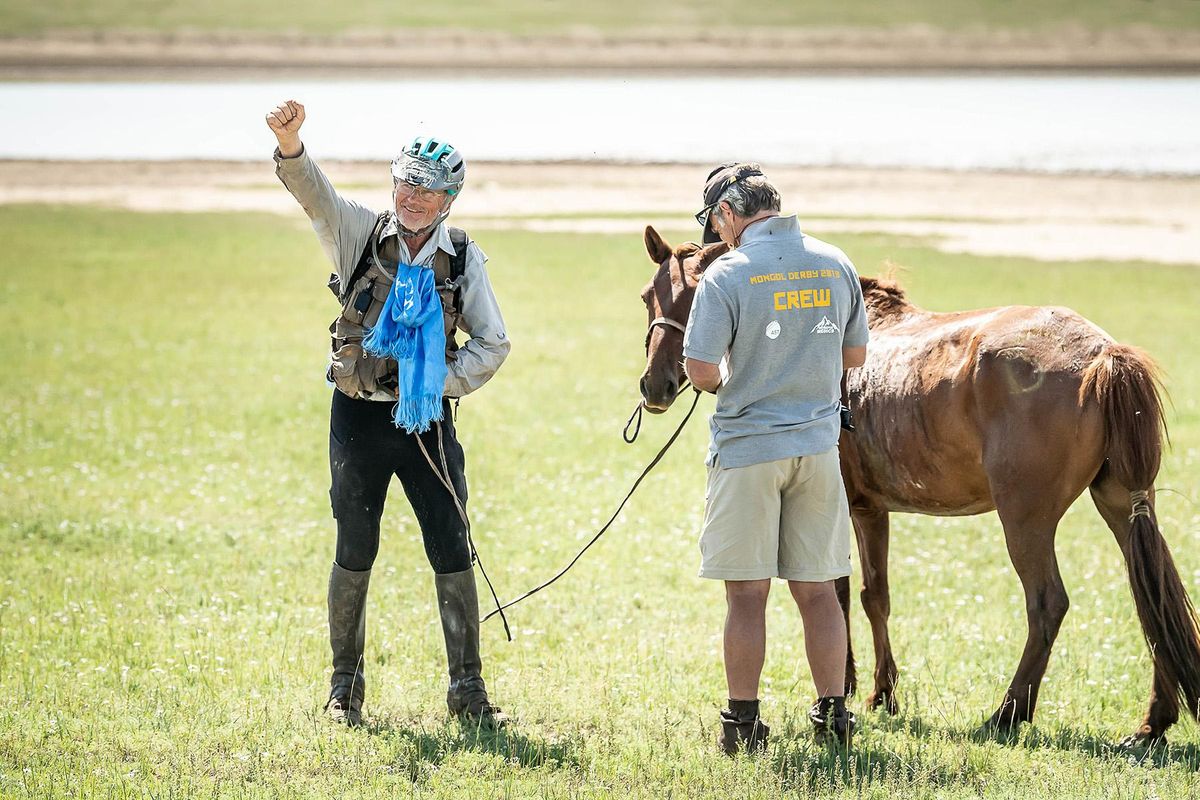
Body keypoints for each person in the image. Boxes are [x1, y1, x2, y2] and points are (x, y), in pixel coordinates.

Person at [265, 100, 511, 728]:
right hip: (359, 419)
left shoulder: (462, 257)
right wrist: (292, 145)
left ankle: (468, 690)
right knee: (355, 547)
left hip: (427, 424)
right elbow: (315, 196)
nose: (412, 196)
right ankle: (344, 688)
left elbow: (492, 343)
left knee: (452, 547)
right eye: (405, 180)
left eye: (427, 188)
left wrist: (438, 384)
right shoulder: (359, 234)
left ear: (449, 198)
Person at [683, 163, 869, 754]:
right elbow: (856, 355)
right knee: (819, 592)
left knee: (746, 595)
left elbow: (701, 371)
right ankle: (833, 716)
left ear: (728, 214)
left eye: (717, 223)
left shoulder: (726, 275)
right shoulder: (834, 261)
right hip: (817, 449)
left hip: (749, 452)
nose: (718, 234)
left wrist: (741, 378)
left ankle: (742, 725)